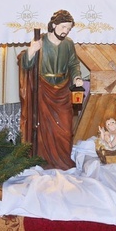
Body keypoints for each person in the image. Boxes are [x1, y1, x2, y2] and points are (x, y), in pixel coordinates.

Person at [19, 10, 84, 170]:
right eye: (63, 27)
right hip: (43, 89)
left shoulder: (68, 44)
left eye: (68, 29)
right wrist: (31, 51)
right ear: (54, 25)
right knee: (43, 129)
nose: (65, 31)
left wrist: (76, 77)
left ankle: (62, 160)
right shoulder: (40, 41)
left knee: (65, 129)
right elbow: (26, 65)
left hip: (62, 90)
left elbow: (73, 64)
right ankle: (44, 160)